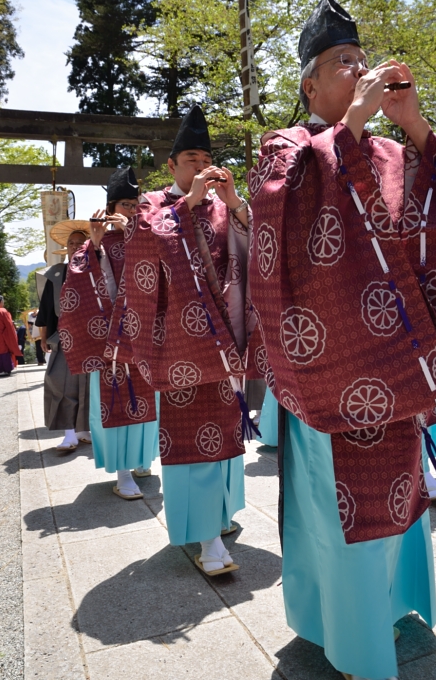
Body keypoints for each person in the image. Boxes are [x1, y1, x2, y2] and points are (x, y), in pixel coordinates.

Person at [248, 0, 436, 680]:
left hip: (398, 367)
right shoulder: (287, 149)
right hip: (335, 371)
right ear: (309, 84)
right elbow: (279, 220)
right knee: (342, 521)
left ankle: (391, 611)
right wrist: (351, 126)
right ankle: (351, 643)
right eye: (341, 61)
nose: (359, 69)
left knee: (402, 508)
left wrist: (412, 122)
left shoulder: (392, 153)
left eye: (362, 58)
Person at [123, 105, 256, 574]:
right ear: (172, 165)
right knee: (190, 439)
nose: (200, 166)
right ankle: (206, 542)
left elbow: (254, 245)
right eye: (190, 158)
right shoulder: (154, 205)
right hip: (179, 342)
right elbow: (142, 248)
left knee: (224, 435)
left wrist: (235, 200)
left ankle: (219, 518)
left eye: (206, 158)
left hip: (225, 341)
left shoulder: (224, 205)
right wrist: (187, 203)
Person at [60, 167, 159, 500]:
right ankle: (122, 473)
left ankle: (143, 459)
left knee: (148, 401)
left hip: (143, 333)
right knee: (117, 403)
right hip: (110, 338)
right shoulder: (95, 243)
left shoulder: (146, 235)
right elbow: (80, 282)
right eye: (126, 205)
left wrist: (140, 235)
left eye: (136, 205)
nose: (132, 211)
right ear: (112, 207)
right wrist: (97, 243)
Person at [35, 222, 92, 451]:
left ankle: (84, 429)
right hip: (63, 336)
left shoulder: (97, 268)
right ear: (66, 248)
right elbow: (46, 307)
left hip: (93, 336)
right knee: (60, 382)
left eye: (80, 242)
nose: (75, 246)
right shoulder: (56, 274)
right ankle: (69, 432)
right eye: (71, 243)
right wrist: (44, 336)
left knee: (90, 385)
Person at [0, 295, 22, 375]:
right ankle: (4, 369)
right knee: (3, 351)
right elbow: (9, 325)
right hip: (2, 336)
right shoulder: (3, 311)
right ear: (1, 302)